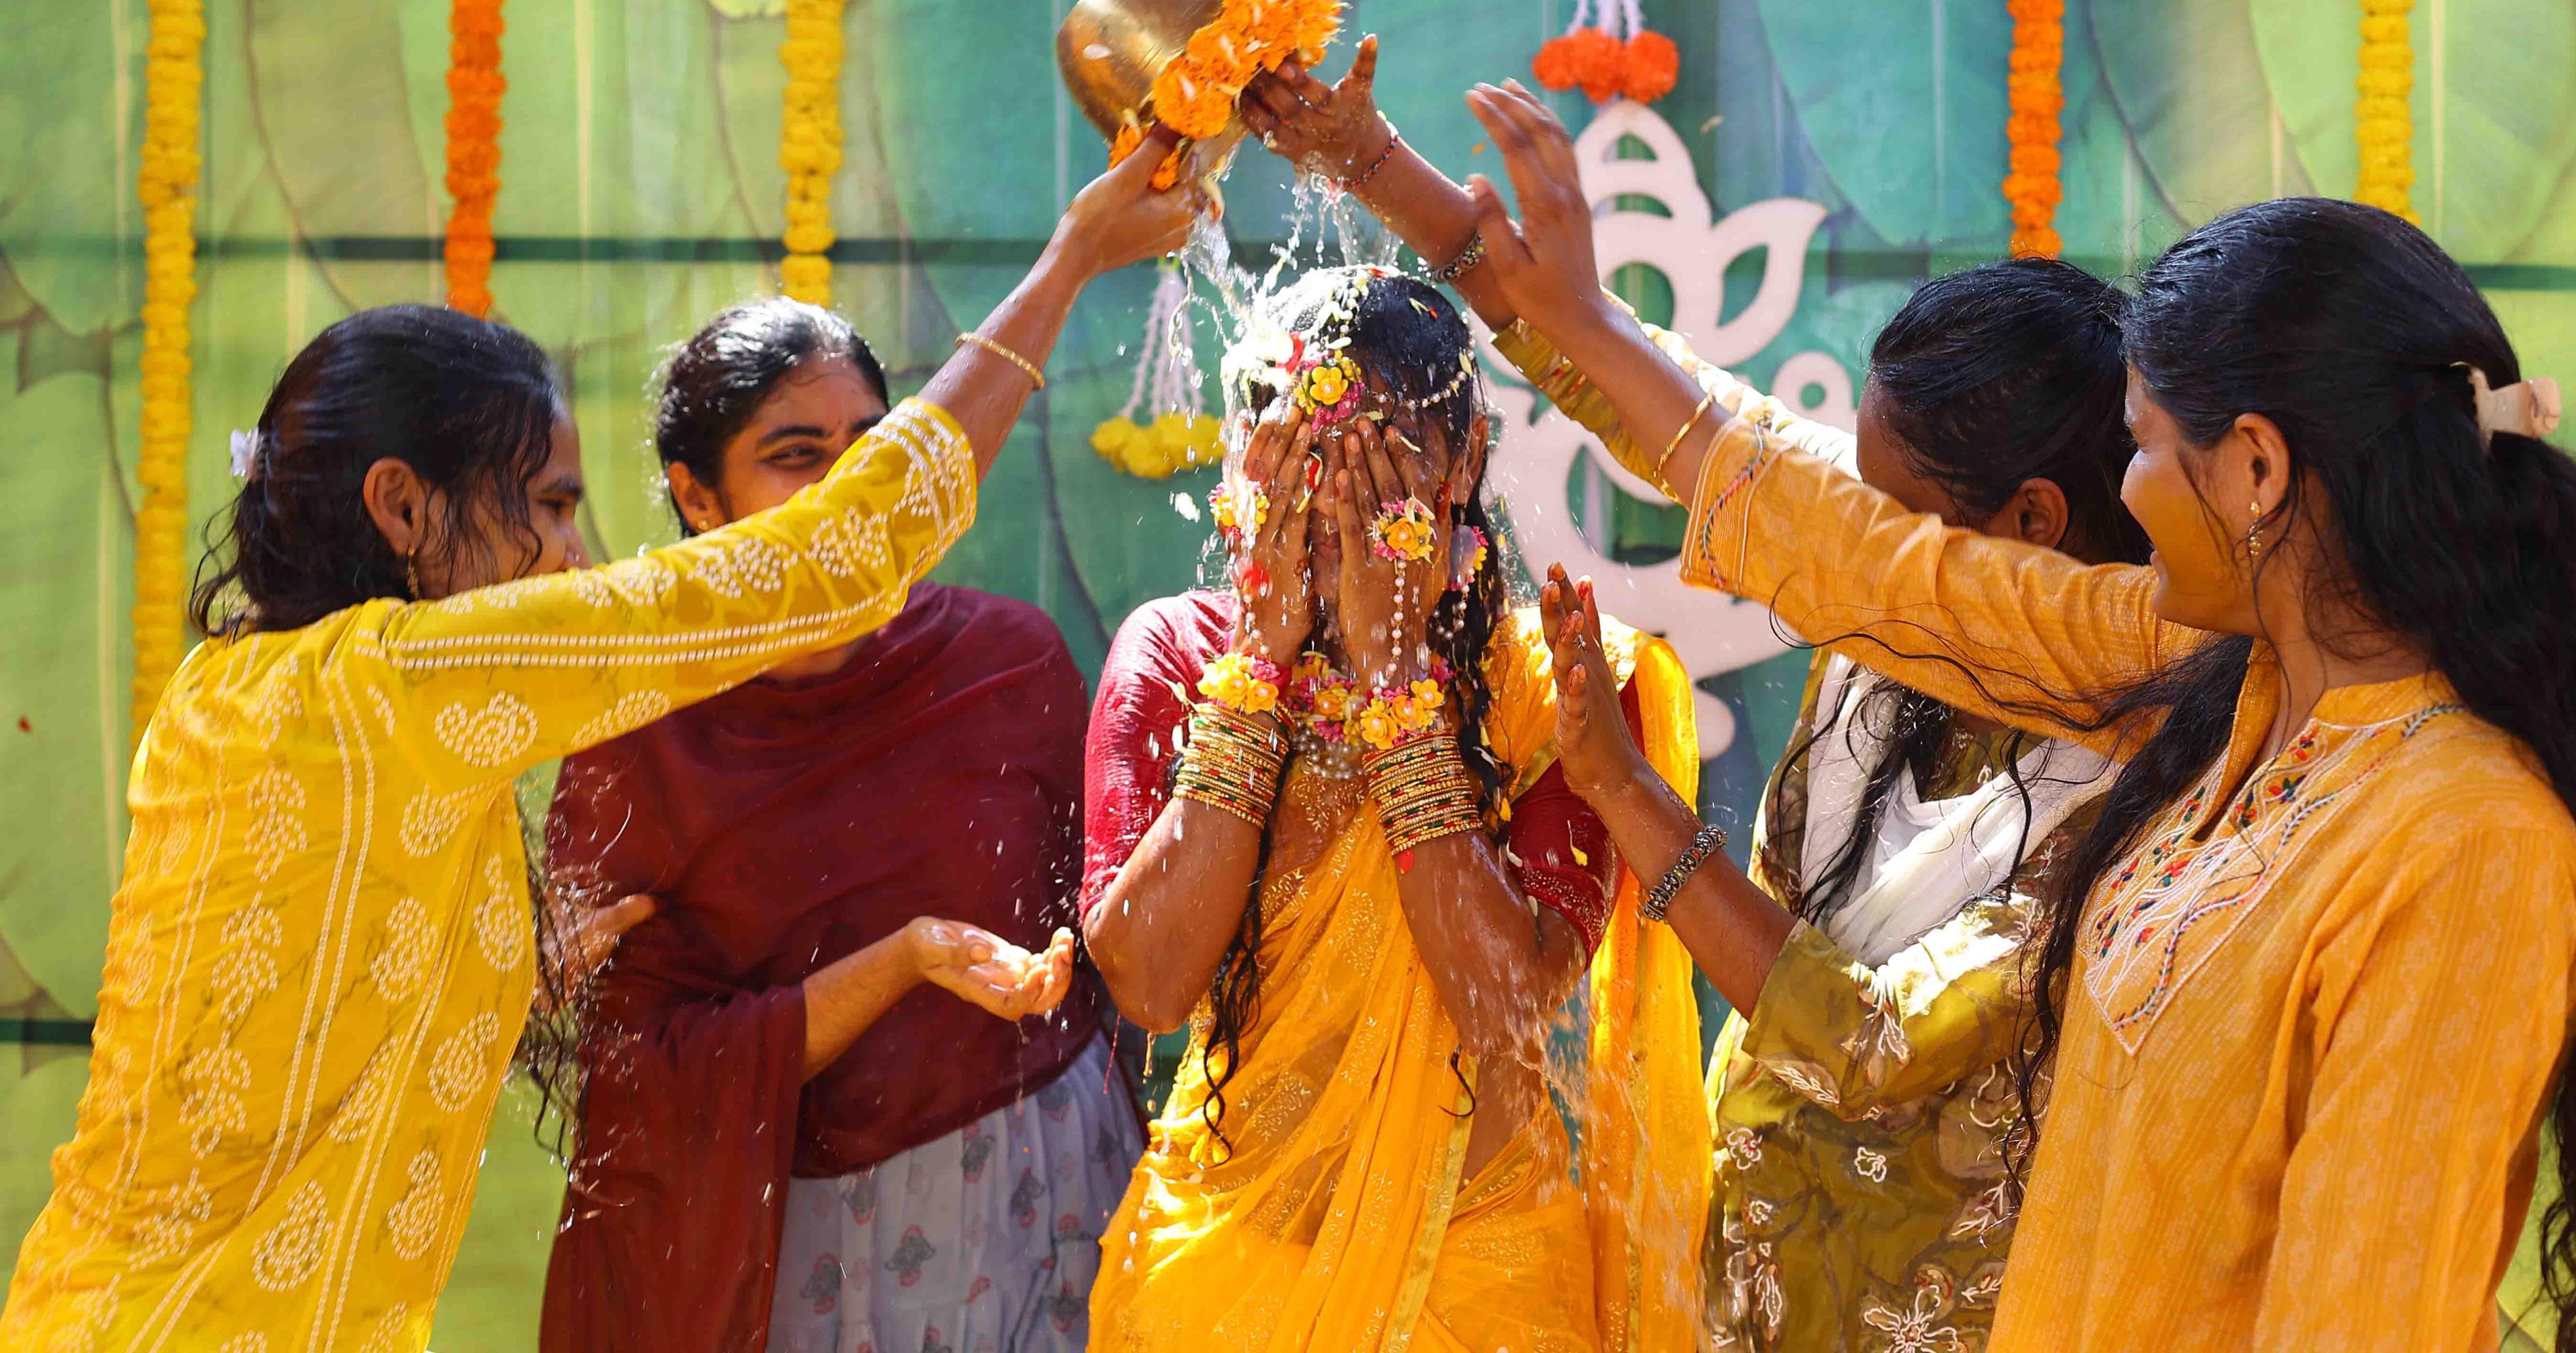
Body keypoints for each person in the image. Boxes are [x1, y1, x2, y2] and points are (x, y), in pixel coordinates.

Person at [1459, 80, 2576, 1353]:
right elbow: (1864, 556)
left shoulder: (2467, 848)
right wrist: (1471, 240)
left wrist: (1630, 800)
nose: (2123, 489)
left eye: (2143, 444)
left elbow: (2360, 1317)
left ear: (2258, 472)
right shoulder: (2227, 691)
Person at [0, 134, 1193, 1350]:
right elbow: (829, 564)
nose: (577, 554)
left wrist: (516, 969)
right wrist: (1076, 253)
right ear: (404, 508)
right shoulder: (386, 688)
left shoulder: (254, 703)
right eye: (552, 506)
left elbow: (316, 1021)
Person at [1242, 42, 2156, 1348]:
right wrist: (1368, 165)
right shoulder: (1898, 623)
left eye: (1886, 515)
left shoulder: (2142, 759)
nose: (1836, 541)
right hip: (1757, 1271)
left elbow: (1869, 1047)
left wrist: (1623, 794)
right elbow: (1625, 387)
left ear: (2033, 520)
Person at [1080, 266, 1707, 1353]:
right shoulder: (1180, 654)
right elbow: (1151, 983)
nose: (1330, 497)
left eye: (1376, 458)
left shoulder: (1561, 695)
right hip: (1222, 1273)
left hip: (1480, 1276)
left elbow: (1503, 1001)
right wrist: (1262, 662)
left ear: (1463, 461)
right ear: (1245, 459)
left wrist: (1396, 679)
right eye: (1298, 454)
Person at [539, 298, 1144, 1353]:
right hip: (794, 1256)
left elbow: (1112, 956)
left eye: (873, 448)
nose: (851, 492)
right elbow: (638, 1079)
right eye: (797, 454)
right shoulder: (637, 740)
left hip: (1055, 1207)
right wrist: (899, 964)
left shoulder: (1011, 665)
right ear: (699, 497)